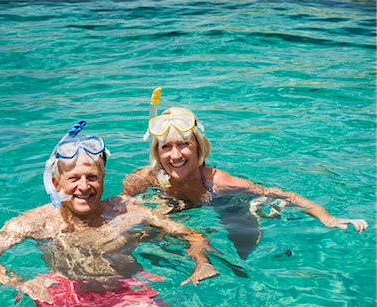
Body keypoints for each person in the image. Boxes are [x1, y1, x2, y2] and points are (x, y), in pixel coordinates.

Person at [0, 120, 218, 307]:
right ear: (56, 183)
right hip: (62, 292)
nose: (84, 187)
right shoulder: (35, 222)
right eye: (74, 178)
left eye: (92, 177)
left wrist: (202, 263)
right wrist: (20, 283)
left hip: (124, 289)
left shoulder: (127, 211)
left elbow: (193, 236)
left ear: (104, 177)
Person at [122, 105, 369, 260]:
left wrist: (327, 217)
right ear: (157, 152)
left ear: (199, 148)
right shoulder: (147, 177)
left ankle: (259, 214)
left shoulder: (222, 182)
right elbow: (123, 203)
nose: (175, 155)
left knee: (245, 251)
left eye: (183, 144)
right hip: (177, 202)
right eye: (166, 147)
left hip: (225, 203)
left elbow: (285, 195)